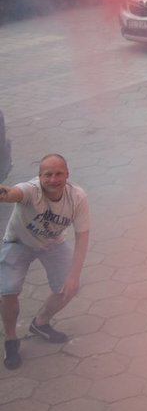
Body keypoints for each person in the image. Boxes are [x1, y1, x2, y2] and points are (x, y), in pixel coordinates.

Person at [1, 154, 90, 370]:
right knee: (8, 292)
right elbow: (12, 193)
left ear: (67, 175)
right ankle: (11, 339)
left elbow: (82, 237)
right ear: (39, 176)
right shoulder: (31, 190)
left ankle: (40, 323)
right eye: (48, 175)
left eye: (59, 174)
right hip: (18, 241)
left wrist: (74, 275)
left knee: (69, 288)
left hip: (52, 243)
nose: (53, 179)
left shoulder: (77, 197)